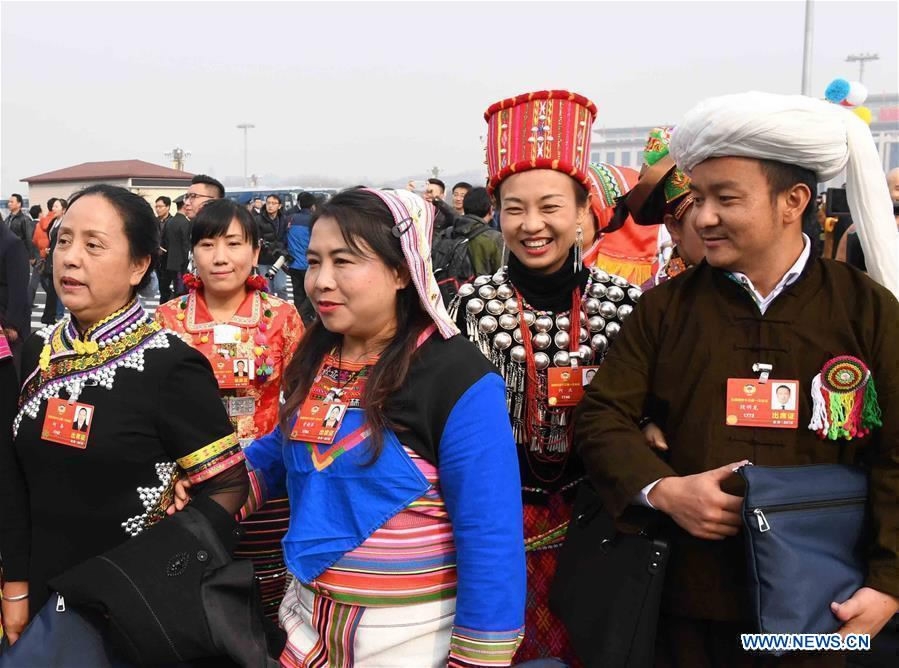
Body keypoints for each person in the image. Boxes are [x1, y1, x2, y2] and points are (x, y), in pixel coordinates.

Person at [575, 91, 899, 667]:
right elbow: (602, 416)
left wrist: (888, 583)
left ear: (793, 201)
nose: (703, 218)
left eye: (725, 199)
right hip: (686, 604)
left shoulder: (865, 310)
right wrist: (665, 489)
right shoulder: (665, 309)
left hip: (823, 608)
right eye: (699, 198)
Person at [176, 187, 526, 666]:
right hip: (306, 630)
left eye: (344, 261)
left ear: (402, 269)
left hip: (412, 642)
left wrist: (476, 659)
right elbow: (281, 448)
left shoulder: (458, 378)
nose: (321, 281)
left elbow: (490, 538)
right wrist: (210, 489)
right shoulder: (319, 355)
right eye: (314, 262)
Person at [0, 184, 248, 648]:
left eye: (94, 245)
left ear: (139, 265)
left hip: (133, 609)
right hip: (42, 591)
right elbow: (13, 476)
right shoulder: (38, 350)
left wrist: (167, 559)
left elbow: (229, 484)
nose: (71, 258)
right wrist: (15, 585)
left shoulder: (171, 365)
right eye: (64, 241)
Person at [451, 89, 641, 665]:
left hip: (600, 526)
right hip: (493, 527)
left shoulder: (626, 306)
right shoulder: (469, 308)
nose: (532, 225)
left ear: (584, 212)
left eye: (551, 207)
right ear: (496, 213)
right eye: (514, 208)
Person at [155, 197, 304, 622]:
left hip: (267, 484)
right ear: (193, 252)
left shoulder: (282, 317)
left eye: (234, 244)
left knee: (264, 598)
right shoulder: (166, 320)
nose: (220, 257)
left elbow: (301, 402)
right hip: (187, 488)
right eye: (207, 244)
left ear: (255, 252)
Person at [616, 127, 705, 288]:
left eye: (726, 201)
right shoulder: (652, 299)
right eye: (699, 203)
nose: (715, 219)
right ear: (673, 227)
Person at [0, 214, 30, 364]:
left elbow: (19, 287)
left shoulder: (12, 243)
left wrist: (12, 324)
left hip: (7, 318)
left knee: (11, 366)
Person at [286, 191, 316, 323]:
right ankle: (306, 318)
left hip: (293, 264)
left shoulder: (290, 219)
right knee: (312, 295)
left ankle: (298, 320)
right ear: (313, 206)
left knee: (297, 293)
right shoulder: (314, 221)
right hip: (309, 265)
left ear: (299, 203)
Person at [256, 194, 290, 300]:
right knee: (267, 288)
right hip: (264, 259)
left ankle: (284, 308)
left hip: (279, 259)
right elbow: (256, 238)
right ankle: (268, 309)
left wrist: (285, 252)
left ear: (279, 206)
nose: (270, 206)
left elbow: (286, 238)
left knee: (281, 287)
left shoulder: (284, 219)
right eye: (268, 203)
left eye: (274, 203)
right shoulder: (258, 219)